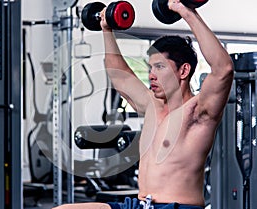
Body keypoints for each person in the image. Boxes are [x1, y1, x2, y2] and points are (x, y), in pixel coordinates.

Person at [53, 0, 234, 208]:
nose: (151, 75)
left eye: (159, 67)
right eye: (150, 68)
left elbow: (223, 68)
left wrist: (184, 10)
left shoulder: (198, 112)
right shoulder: (152, 105)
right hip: (139, 204)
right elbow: (119, 76)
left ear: (183, 71)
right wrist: (106, 28)